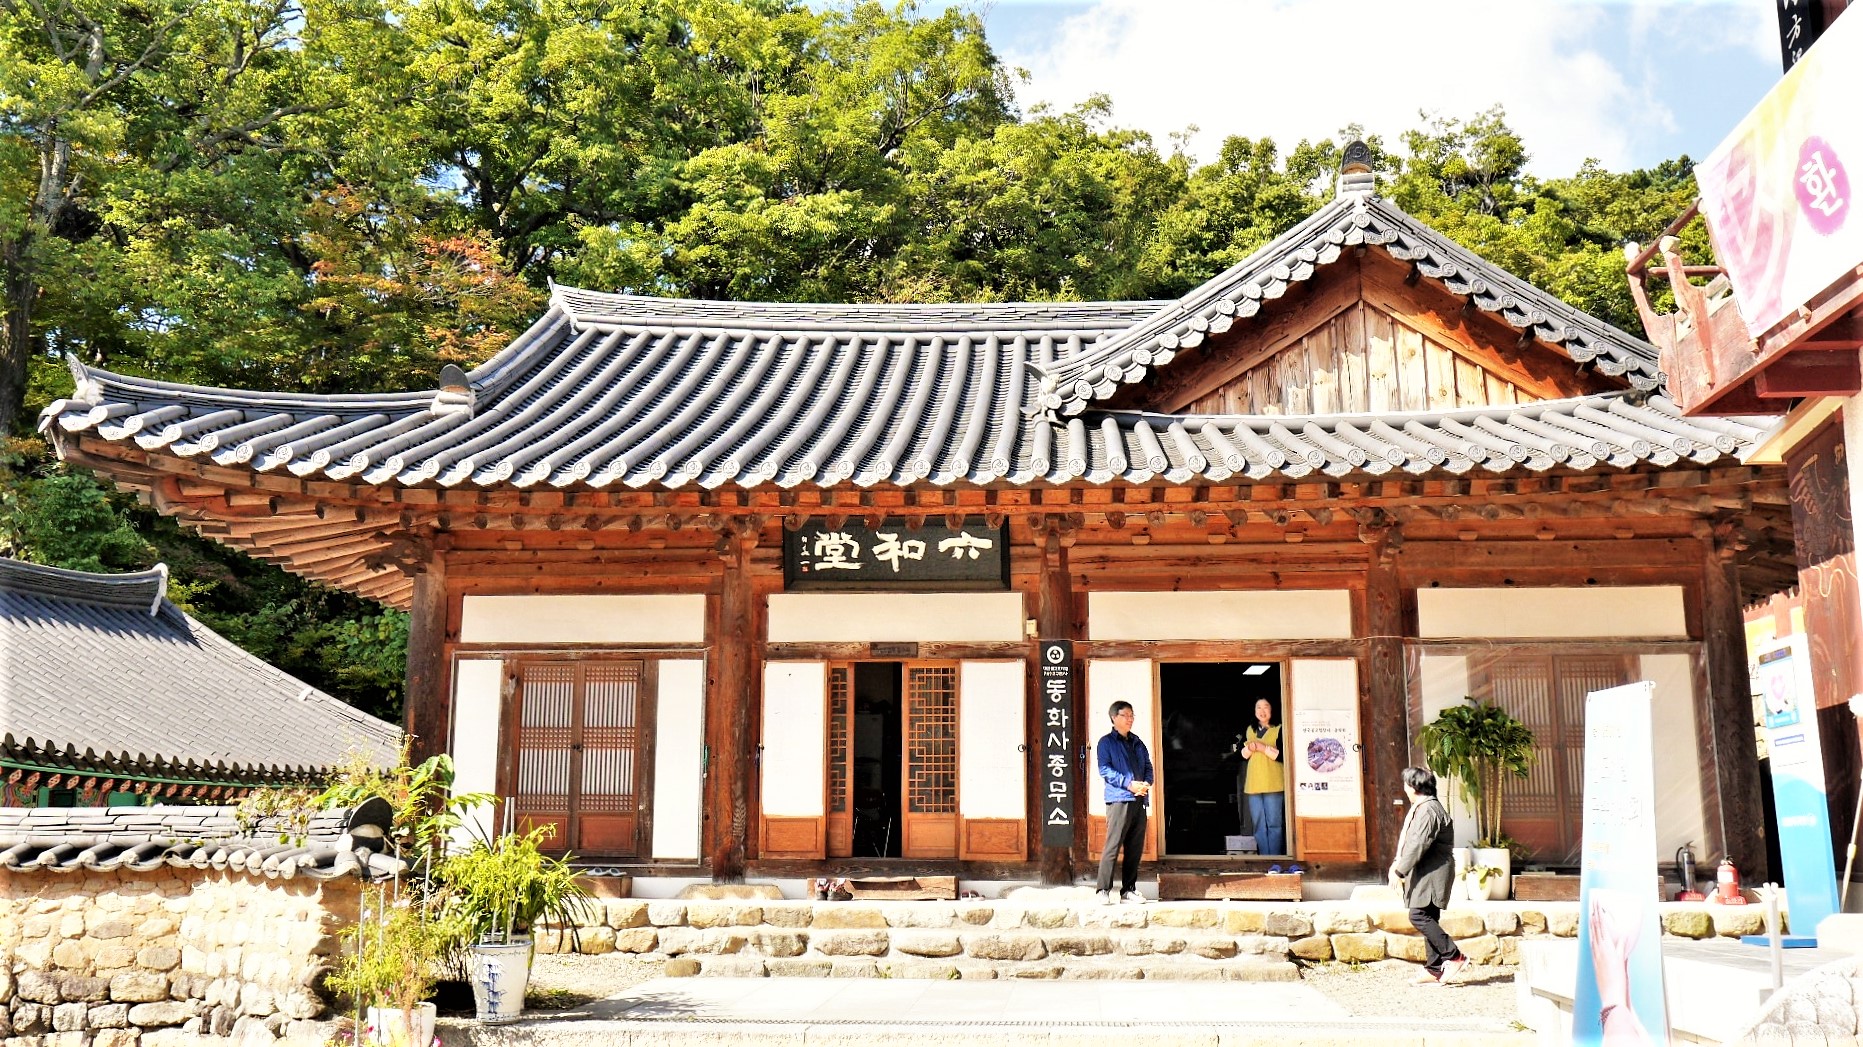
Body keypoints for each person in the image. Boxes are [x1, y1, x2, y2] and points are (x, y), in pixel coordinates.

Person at [1390, 766, 1468, 985]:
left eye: (1406, 784)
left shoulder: (1428, 810)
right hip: (1429, 870)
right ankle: (1434, 969)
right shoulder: (1426, 807)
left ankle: (1454, 956)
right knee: (1429, 916)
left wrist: (1399, 870)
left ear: (1414, 786)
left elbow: (1417, 844)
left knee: (1418, 916)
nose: (1405, 788)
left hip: (1433, 872)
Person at [1095, 700, 1153, 905]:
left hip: (1139, 799)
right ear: (1114, 718)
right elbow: (1105, 770)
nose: (1130, 719)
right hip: (1119, 799)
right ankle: (1103, 890)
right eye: (1125, 715)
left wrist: (1146, 783)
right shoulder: (1106, 743)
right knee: (1113, 845)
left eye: (1132, 715)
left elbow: (1148, 766)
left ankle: (1128, 890)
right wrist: (1129, 784)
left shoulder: (1138, 742)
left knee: (1134, 848)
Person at [1239, 697, 1286, 856]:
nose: (1262, 711)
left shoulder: (1280, 729)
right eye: (1258, 707)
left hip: (1273, 783)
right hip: (1254, 784)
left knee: (1274, 823)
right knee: (1258, 824)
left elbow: (1283, 756)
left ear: (1272, 710)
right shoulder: (1249, 730)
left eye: (1266, 707)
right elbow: (1241, 755)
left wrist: (1263, 748)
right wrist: (1250, 748)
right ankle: (1265, 857)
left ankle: (1275, 857)